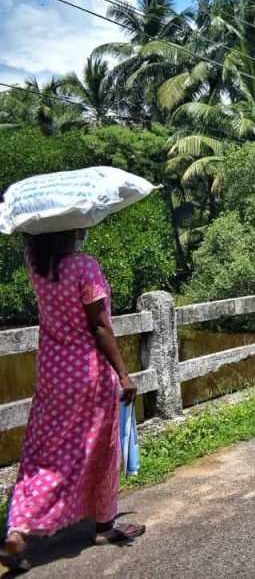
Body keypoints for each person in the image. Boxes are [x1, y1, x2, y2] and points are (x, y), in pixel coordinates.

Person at [3, 230, 145, 570]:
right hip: (86, 372)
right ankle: (103, 525)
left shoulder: (36, 264)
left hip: (52, 371)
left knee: (43, 450)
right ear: (71, 229)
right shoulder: (85, 266)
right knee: (97, 447)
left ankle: (19, 528)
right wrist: (124, 374)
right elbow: (100, 327)